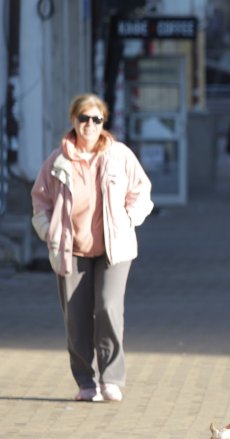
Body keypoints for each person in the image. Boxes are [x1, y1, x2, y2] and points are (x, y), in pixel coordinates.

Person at [30, 93, 154, 402]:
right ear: (73, 120)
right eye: (83, 118)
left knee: (108, 307)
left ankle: (111, 378)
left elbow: (142, 190)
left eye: (96, 119)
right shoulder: (57, 161)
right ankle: (86, 381)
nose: (89, 125)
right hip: (72, 249)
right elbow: (40, 201)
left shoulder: (119, 155)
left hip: (115, 249)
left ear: (104, 122)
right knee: (77, 315)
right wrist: (50, 233)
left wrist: (130, 218)